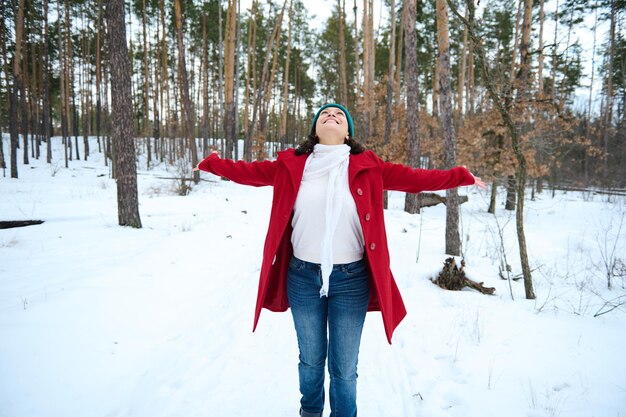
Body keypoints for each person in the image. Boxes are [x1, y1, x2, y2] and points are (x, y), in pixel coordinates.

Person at [194, 103, 486, 417]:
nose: (331, 116)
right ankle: (310, 412)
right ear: (315, 129)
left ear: (348, 132)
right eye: (324, 115)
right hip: (303, 276)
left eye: (339, 116)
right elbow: (246, 172)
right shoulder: (289, 165)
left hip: (352, 280)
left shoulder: (369, 166)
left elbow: (416, 178)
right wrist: (212, 164)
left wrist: (460, 176)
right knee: (310, 360)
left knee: (344, 368)